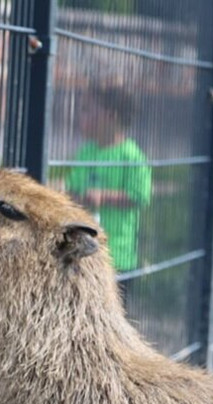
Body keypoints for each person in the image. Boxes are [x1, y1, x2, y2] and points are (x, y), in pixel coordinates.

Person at [64, 85, 151, 273]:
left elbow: (140, 196)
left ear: (111, 116)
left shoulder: (132, 156)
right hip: (85, 255)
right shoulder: (86, 152)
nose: (80, 115)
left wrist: (104, 197)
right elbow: (72, 189)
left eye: (87, 109)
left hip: (118, 257)